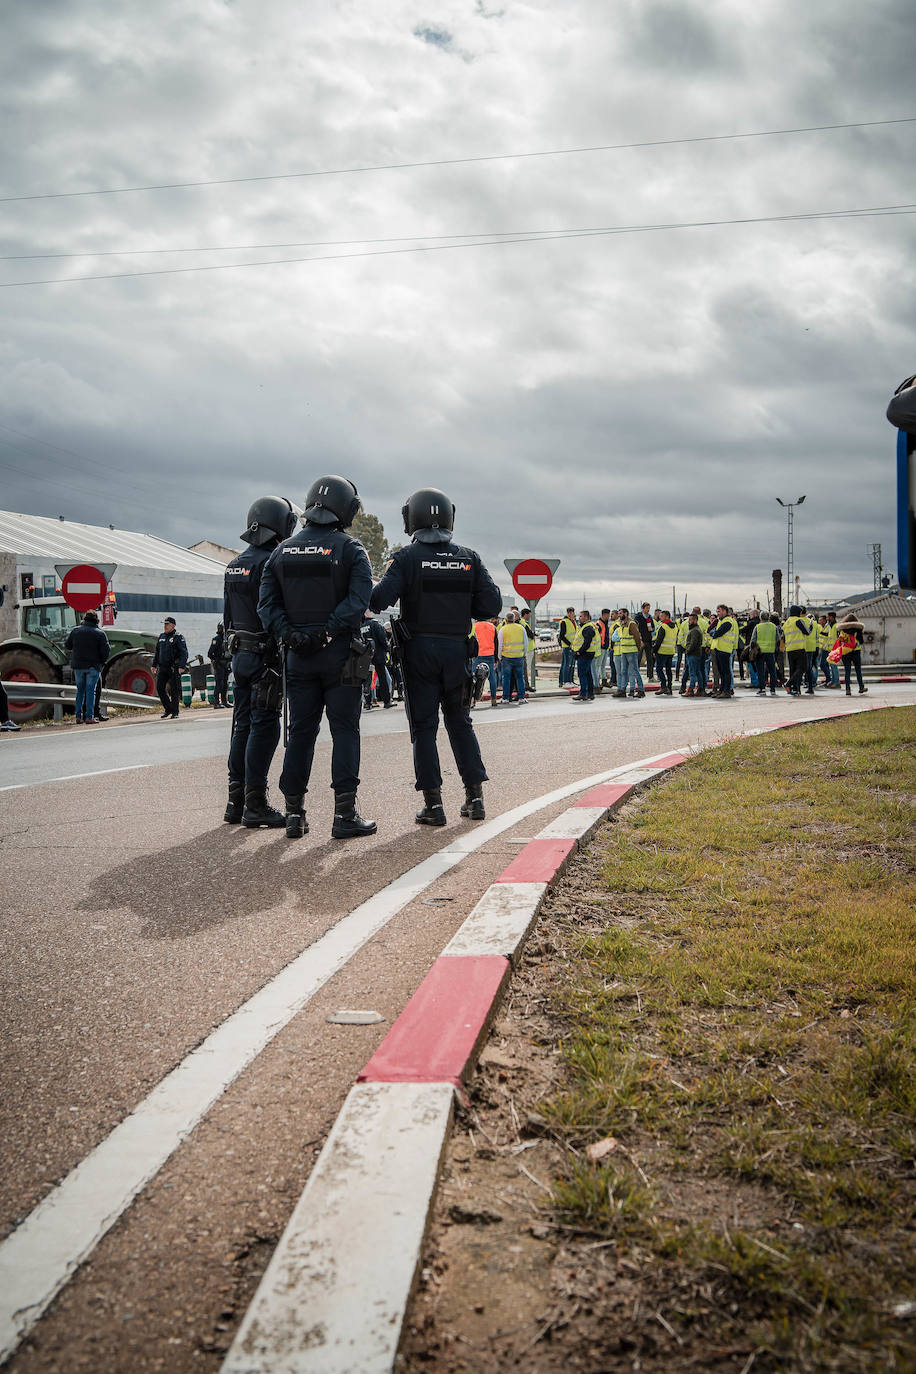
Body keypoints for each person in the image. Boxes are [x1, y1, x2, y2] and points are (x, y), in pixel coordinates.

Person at [370, 486, 501, 825]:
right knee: (461, 724)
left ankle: (434, 804)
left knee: (424, 729)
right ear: (449, 517)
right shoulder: (469, 558)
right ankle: (475, 799)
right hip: (457, 652)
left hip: (418, 654)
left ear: (410, 519)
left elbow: (378, 600)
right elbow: (491, 606)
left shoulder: (405, 558)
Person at [259, 475, 376, 840]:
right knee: (345, 732)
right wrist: (328, 631)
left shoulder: (281, 552)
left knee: (300, 734)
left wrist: (292, 634)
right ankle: (344, 815)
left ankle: (294, 814)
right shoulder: (352, 550)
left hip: (298, 657)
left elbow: (267, 606)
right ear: (346, 508)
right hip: (341, 655)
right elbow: (359, 603)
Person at [223, 496, 298, 828]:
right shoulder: (273, 562)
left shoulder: (233, 564)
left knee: (241, 727)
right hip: (265, 657)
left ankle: (234, 802)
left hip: (239, 653)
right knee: (264, 729)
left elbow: (227, 617)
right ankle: (255, 803)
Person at [64, 609, 111, 723]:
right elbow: (106, 651)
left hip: (78, 666)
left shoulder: (75, 631)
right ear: (96, 620)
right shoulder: (100, 633)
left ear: (84, 619)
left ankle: (78, 717)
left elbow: (67, 645)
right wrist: (101, 662)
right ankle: (89, 717)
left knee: (80, 691)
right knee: (91, 691)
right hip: (93, 667)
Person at [152, 616, 188, 720]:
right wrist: (154, 665)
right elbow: (157, 652)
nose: (165, 626)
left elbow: (184, 653)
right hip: (163, 667)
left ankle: (175, 712)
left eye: (167, 624)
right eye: (164, 624)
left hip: (174, 668)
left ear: (172, 625)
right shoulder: (161, 636)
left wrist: (181, 666)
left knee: (174, 690)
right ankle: (168, 709)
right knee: (160, 688)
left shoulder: (178, 637)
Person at [362, 611, 393, 709]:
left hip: (365, 656)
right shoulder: (374, 624)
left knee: (367, 680)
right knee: (383, 679)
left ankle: (367, 703)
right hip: (378, 655)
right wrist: (387, 649)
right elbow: (382, 639)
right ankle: (387, 702)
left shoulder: (360, 626)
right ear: (367, 614)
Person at [612, 608, 645, 699]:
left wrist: (638, 649)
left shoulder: (631, 624)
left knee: (635, 671)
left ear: (626, 614)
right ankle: (622, 690)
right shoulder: (623, 624)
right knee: (623, 671)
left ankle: (641, 690)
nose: (619, 615)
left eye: (620, 613)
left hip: (631, 651)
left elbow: (637, 637)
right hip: (624, 651)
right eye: (618, 613)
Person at [497, 611, 527, 706]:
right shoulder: (521, 628)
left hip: (507, 658)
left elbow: (499, 645)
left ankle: (505, 698)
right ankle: (522, 697)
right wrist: (524, 655)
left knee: (506, 678)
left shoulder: (503, 629)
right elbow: (525, 643)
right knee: (520, 678)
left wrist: (499, 656)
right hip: (519, 657)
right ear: (514, 619)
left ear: (505, 620)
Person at [781, 605, 812, 696]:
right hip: (799, 648)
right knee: (803, 668)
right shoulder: (798, 621)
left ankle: (795, 689)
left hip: (790, 649)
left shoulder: (786, 623)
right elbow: (807, 632)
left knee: (793, 670)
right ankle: (788, 684)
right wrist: (810, 626)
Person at [709, 603, 738, 698]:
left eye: (719, 611)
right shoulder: (721, 621)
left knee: (725, 671)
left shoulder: (728, 621)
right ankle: (722, 690)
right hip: (718, 648)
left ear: (725, 611)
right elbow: (711, 632)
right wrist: (713, 632)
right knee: (721, 671)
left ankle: (726, 691)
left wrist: (714, 633)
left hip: (724, 649)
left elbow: (716, 633)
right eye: (717, 611)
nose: (718, 613)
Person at [835, 613, 868, 695]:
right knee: (858, 670)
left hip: (845, 652)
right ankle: (861, 687)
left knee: (847, 671)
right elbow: (861, 641)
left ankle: (847, 689)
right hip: (856, 651)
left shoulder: (841, 629)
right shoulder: (858, 629)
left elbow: (839, 640)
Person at [572, 609, 599, 702]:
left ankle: (583, 694)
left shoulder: (587, 627)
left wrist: (579, 652)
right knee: (588, 674)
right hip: (588, 653)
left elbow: (587, 642)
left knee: (582, 674)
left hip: (585, 654)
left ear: (586, 617)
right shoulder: (586, 626)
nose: (579, 618)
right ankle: (590, 693)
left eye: (581, 616)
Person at [473, 616, 499, 706]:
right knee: (492, 678)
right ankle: (494, 699)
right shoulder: (492, 627)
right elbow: (496, 643)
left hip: (477, 655)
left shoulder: (474, 626)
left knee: (474, 678)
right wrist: (496, 658)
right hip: (489, 655)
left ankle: (473, 700)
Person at [751, 612, 779, 695]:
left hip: (760, 652)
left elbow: (753, 640)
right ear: (769, 618)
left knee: (760, 671)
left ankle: (762, 688)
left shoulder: (758, 627)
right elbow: (778, 638)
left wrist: (751, 649)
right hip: (770, 651)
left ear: (760, 618)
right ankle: (773, 689)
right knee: (772, 670)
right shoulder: (774, 626)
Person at [652, 610, 677, 695]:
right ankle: (669, 688)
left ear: (667, 617)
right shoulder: (675, 626)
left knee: (659, 669)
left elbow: (658, 641)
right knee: (668, 670)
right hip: (671, 651)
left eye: (662, 616)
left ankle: (663, 686)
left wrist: (654, 651)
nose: (660, 617)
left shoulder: (663, 626)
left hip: (662, 651)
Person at [207, 622, 231, 708]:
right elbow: (210, 654)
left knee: (225, 684)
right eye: (224, 628)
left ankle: (224, 701)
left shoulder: (228, 639)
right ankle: (216, 702)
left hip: (226, 664)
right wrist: (217, 661)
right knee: (219, 684)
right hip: (219, 665)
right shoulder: (216, 639)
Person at [683, 614, 705, 695]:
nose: (689, 622)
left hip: (693, 654)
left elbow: (693, 643)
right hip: (696, 654)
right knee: (698, 672)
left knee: (692, 673)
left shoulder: (695, 630)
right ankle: (701, 689)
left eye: (690, 620)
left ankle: (691, 689)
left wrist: (687, 651)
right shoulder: (695, 629)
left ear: (695, 620)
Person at [634, 602, 656, 680]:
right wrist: (639, 639)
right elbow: (635, 628)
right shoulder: (638, 617)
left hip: (648, 640)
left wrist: (652, 629)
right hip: (641, 640)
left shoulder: (649, 617)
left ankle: (650, 676)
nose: (648, 610)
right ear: (643, 608)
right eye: (647, 608)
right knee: (638, 658)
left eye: (649, 608)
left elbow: (652, 626)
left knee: (650, 659)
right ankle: (636, 676)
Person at [557, 607, 577, 687]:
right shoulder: (564, 622)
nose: (570, 614)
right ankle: (565, 681)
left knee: (571, 665)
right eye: (569, 612)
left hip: (573, 647)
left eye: (571, 612)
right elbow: (562, 636)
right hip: (567, 646)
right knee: (566, 664)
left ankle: (570, 680)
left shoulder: (573, 622)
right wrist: (569, 644)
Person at [520, 608, 537, 690]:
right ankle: (525, 685)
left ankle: (524, 684)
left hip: (526, 649)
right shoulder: (524, 624)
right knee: (526, 668)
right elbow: (530, 635)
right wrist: (533, 634)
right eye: (529, 614)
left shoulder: (522, 623)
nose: (530, 616)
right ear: (526, 614)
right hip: (528, 649)